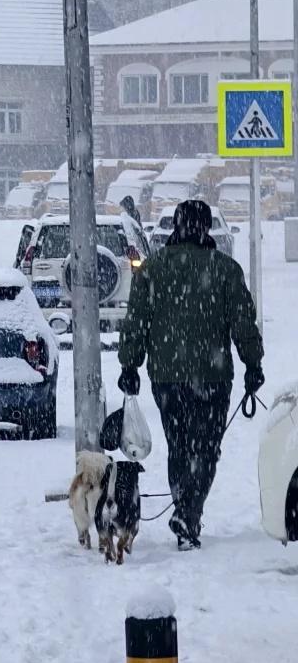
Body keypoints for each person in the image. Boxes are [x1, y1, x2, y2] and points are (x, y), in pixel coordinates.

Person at [118, 196, 263, 549]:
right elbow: (243, 323)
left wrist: (130, 364)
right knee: (206, 448)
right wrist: (253, 364)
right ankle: (189, 512)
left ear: (177, 226)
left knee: (179, 446)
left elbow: (136, 321)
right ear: (205, 227)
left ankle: (185, 506)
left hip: (166, 377)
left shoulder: (152, 269)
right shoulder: (225, 269)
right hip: (212, 376)